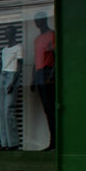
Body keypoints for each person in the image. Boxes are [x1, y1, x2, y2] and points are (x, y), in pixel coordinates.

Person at [30, 12, 55, 149]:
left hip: (48, 73)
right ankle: (52, 141)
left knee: (52, 108)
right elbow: (36, 60)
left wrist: (52, 75)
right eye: (35, 20)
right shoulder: (37, 39)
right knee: (47, 109)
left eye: (39, 20)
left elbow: (56, 55)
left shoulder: (52, 35)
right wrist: (33, 78)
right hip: (39, 74)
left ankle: (56, 141)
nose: (37, 23)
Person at [0, 26, 23, 150]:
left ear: (13, 33)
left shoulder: (18, 47)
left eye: (9, 33)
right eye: (5, 33)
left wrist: (14, 81)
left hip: (11, 75)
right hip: (3, 75)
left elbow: (19, 66)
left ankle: (13, 143)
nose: (7, 35)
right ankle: (4, 143)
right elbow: (1, 65)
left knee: (8, 110)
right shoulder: (4, 49)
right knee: (1, 111)